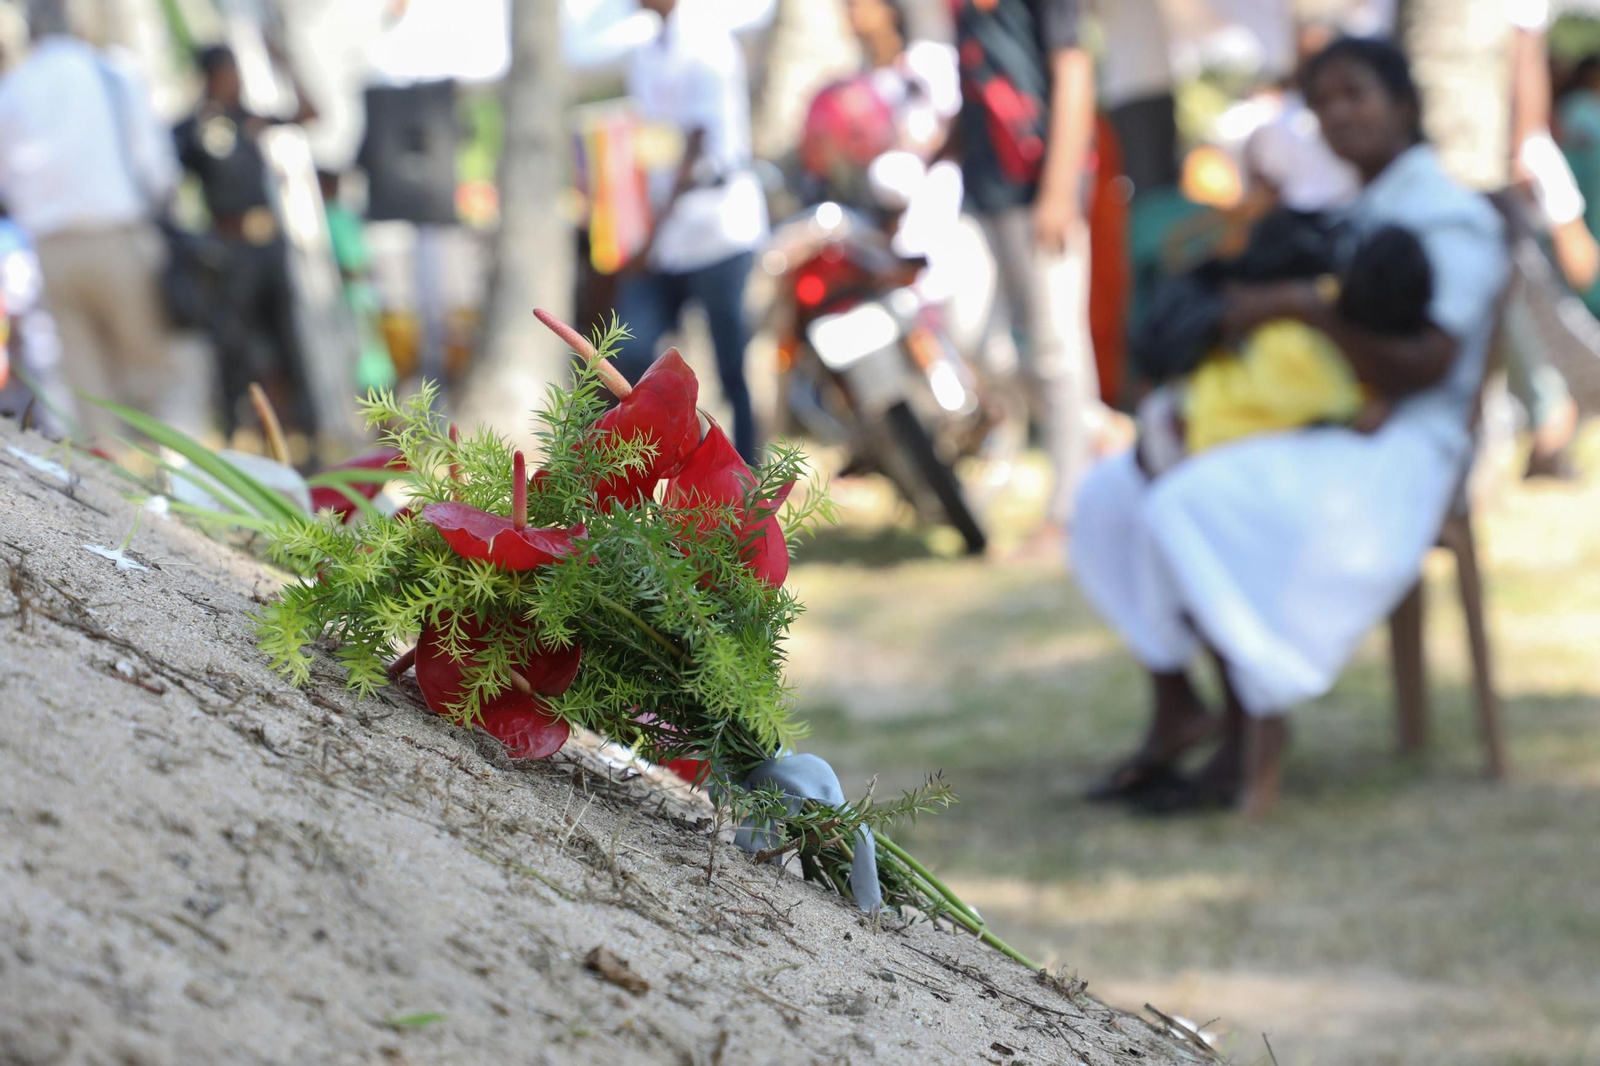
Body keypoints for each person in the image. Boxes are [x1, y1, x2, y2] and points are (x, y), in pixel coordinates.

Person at [1071, 37, 1507, 818]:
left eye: (1355, 95)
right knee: (1110, 490)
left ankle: (1254, 732)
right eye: (1323, 100)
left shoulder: (1450, 216)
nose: (1338, 113)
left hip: (1400, 441)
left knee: (1191, 499)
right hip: (1325, 422)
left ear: (1403, 105)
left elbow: (1428, 364)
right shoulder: (1348, 208)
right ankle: (1180, 705)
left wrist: (1304, 308)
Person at [0, 1, 190, 450]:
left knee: (87, 390)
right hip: (117, 237)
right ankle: (186, 491)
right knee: (156, 374)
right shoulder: (111, 72)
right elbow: (157, 167)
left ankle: (114, 499)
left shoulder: (13, 88)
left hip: (50, 249)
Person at [952, 0, 1103, 550]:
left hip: (1042, 185)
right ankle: (1094, 428)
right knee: (968, 333)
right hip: (981, 192)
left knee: (1057, 347)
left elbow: (1074, 71)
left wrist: (1060, 188)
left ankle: (1070, 509)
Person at [1136, 221, 1433, 475]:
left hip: (1177, 420)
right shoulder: (1354, 393)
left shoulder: (1302, 300)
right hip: (1195, 457)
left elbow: (1232, 306)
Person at [613, 0, 767, 463]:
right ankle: (653, 469)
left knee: (733, 365)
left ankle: (747, 481)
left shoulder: (707, 41)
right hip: (669, 235)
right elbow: (649, 143)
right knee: (631, 348)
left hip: (717, 224)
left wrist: (651, 232)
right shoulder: (643, 53)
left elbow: (698, 139)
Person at [174, 44, 318, 441]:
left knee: (287, 338)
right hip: (229, 252)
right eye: (229, 72)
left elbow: (310, 114)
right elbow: (165, 184)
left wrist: (285, 61)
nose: (237, 79)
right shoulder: (191, 129)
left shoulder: (250, 118)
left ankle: (301, 430)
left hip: (269, 246)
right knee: (235, 343)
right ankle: (239, 430)